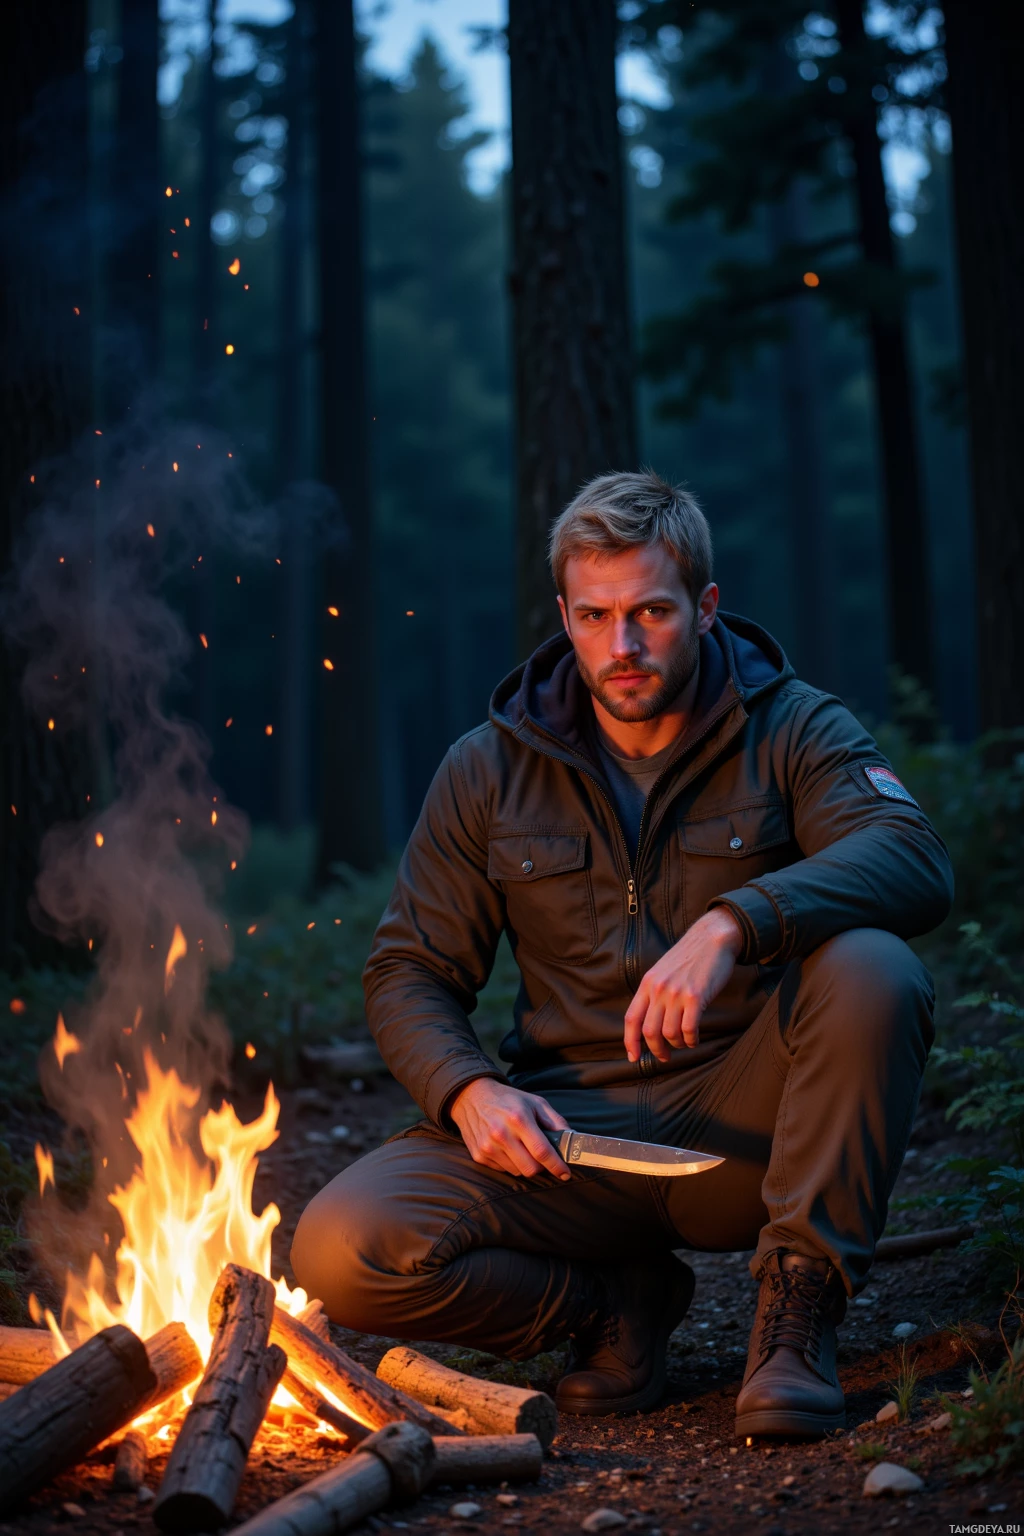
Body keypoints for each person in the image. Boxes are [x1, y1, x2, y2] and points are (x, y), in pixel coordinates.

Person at [291, 470, 953, 1437]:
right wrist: (467, 1090)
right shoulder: (489, 766)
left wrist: (736, 921)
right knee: (344, 1248)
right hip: (569, 1142)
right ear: (564, 613)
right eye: (595, 616)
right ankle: (615, 1309)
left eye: (651, 611)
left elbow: (915, 858)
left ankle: (796, 1315)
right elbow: (409, 971)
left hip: (747, 1132)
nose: (624, 646)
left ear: (706, 606)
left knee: (874, 969)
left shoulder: (794, 726)